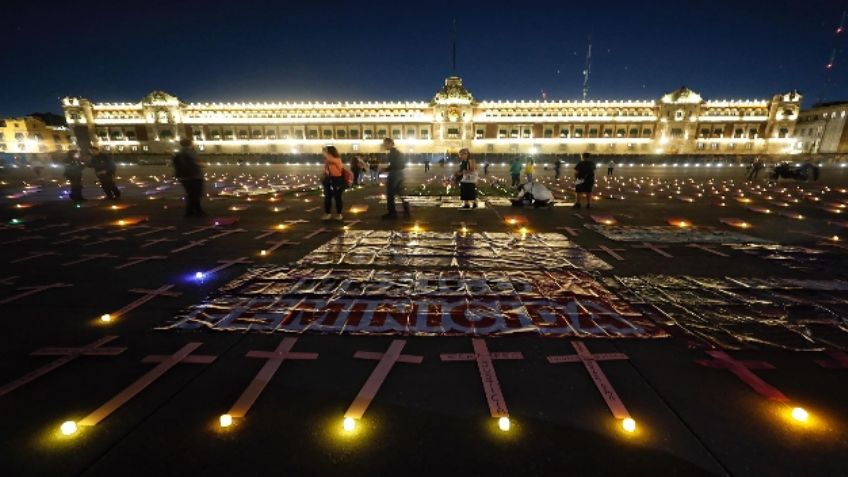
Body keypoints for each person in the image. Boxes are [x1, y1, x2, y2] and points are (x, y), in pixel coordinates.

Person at [172, 138, 206, 217]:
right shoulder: (190, 152)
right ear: (190, 143)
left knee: (191, 194)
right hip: (194, 176)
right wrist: (203, 165)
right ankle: (194, 211)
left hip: (183, 177)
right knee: (196, 194)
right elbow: (195, 162)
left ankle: (192, 210)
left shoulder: (179, 152)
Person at [381, 138, 410, 219]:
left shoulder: (392, 154)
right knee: (401, 192)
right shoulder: (399, 153)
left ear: (390, 144)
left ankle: (392, 213)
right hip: (400, 174)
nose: (384, 145)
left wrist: (386, 169)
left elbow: (395, 165)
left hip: (394, 174)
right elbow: (402, 165)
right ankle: (407, 209)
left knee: (390, 194)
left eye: (385, 143)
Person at [323, 146, 346, 220]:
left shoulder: (337, 159)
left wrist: (326, 156)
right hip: (329, 179)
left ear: (330, 152)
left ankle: (339, 214)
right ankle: (327, 213)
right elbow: (325, 169)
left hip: (337, 180)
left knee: (337, 197)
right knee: (327, 197)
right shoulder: (328, 161)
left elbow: (339, 169)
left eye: (326, 151)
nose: (324, 153)